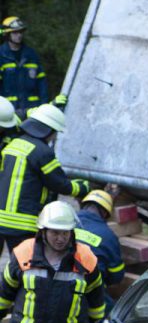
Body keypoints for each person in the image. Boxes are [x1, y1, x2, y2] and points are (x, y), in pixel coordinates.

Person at [0, 104, 88, 255]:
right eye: (55, 133)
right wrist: (82, 187)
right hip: (23, 223)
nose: (55, 137)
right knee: (24, 265)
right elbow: (60, 184)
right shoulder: (42, 152)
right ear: (48, 130)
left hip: (1, 220)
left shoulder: (12, 145)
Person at [73, 190, 125, 311]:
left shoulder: (68, 221)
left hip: (59, 282)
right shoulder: (108, 235)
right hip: (89, 289)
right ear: (105, 213)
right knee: (112, 315)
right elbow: (117, 275)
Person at [0, 18, 48, 117]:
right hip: (8, 112)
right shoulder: (1, 56)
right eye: (15, 32)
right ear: (7, 34)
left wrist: (44, 107)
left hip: (33, 110)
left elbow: (42, 84)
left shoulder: (31, 55)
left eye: (21, 32)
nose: (19, 35)